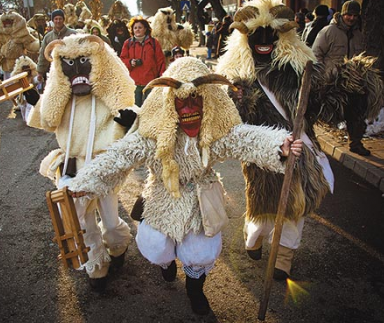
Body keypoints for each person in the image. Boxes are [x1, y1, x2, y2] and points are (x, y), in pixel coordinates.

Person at [68, 57, 303, 315]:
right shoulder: (153, 137)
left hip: (200, 200)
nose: (190, 107)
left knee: (201, 251)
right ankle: (166, 263)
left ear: (208, 100)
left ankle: (194, 288)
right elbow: (119, 156)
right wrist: (87, 182)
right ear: (169, 102)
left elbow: (243, 138)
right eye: (182, 100)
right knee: (155, 245)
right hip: (163, 197)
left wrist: (278, 145)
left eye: (196, 99)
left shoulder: (212, 133)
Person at [217, 0, 384, 280]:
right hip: (263, 154)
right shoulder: (238, 77)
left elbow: (324, 103)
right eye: (257, 34)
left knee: (296, 207)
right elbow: (230, 123)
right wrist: (242, 100)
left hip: (300, 148)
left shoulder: (300, 71)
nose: (264, 40)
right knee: (263, 206)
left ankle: (283, 256)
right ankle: (253, 236)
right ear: (246, 39)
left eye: (271, 34)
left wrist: (349, 81)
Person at [27, 34, 136, 292]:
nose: (76, 69)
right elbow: (48, 119)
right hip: (74, 166)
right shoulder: (65, 98)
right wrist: (36, 102)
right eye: (69, 63)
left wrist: (130, 123)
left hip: (103, 166)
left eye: (84, 61)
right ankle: (96, 265)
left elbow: (130, 120)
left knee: (110, 219)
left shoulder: (108, 96)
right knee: (83, 220)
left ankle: (118, 245)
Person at [312, 0, 370, 156]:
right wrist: (323, 75)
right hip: (332, 81)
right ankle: (314, 140)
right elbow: (316, 55)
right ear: (342, 14)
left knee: (356, 113)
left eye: (355, 15)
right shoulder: (328, 31)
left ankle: (356, 143)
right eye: (348, 15)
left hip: (353, 82)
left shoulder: (358, 35)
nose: (351, 18)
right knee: (325, 114)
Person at [120, 16, 165, 106]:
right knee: (136, 108)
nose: (137, 30)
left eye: (140, 27)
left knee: (150, 107)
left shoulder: (153, 43)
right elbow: (122, 60)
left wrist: (162, 79)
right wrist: (130, 62)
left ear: (145, 29)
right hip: (134, 83)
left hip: (150, 82)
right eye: (135, 28)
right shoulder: (127, 43)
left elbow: (160, 61)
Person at [36, 9, 77, 83]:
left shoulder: (73, 34)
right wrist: (40, 72)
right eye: (56, 19)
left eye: (60, 19)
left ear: (63, 20)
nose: (58, 21)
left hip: (72, 70)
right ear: (53, 20)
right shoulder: (48, 37)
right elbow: (43, 54)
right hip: (54, 71)